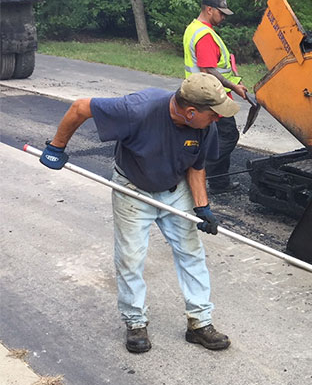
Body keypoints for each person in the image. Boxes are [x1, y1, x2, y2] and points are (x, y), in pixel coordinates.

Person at [39, 73, 239, 353]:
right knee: (130, 258)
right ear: (191, 112)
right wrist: (56, 146)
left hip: (174, 187)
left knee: (191, 253)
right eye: (214, 114)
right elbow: (81, 108)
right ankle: (135, 323)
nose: (219, 119)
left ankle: (199, 323)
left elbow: (196, 166)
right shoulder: (138, 109)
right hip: (133, 188)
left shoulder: (206, 126)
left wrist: (202, 207)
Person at [183, 0, 248, 194]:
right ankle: (198, 172)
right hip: (211, 97)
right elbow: (208, 70)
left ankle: (219, 183)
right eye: (221, 13)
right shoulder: (204, 35)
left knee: (216, 137)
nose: (224, 17)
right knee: (228, 137)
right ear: (209, 9)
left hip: (205, 93)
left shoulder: (196, 29)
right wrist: (234, 86)